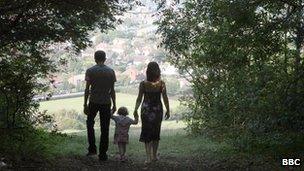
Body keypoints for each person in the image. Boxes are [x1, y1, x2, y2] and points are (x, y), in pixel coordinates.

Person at [133, 62, 170, 164]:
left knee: (146, 132)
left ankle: (148, 158)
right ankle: (154, 156)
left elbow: (139, 98)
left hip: (146, 110)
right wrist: (168, 109)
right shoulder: (161, 84)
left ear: (147, 72)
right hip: (157, 110)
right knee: (156, 132)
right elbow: (165, 98)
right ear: (158, 72)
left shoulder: (143, 84)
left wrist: (135, 109)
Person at [83, 50, 116, 161]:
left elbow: (87, 89)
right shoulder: (111, 71)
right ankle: (103, 153)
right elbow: (112, 90)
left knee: (89, 124)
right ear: (105, 58)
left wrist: (85, 104)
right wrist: (115, 104)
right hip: (106, 102)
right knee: (105, 128)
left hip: (93, 101)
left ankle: (92, 149)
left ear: (95, 58)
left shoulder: (90, 71)